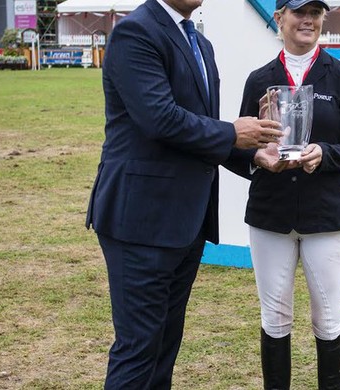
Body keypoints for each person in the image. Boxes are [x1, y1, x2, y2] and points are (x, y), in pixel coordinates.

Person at [84, 0, 283, 388]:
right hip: (140, 221)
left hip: (185, 221)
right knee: (139, 348)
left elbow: (199, 131)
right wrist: (232, 133)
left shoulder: (199, 43)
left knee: (164, 345)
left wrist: (254, 155)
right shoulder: (135, 32)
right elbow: (159, 119)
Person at [238, 0, 340, 388]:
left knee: (327, 319)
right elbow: (241, 146)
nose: (308, 20)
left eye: (316, 12)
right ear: (279, 19)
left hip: (326, 214)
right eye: (299, 12)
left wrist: (324, 153)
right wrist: (260, 157)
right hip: (270, 212)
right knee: (274, 318)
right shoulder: (259, 78)